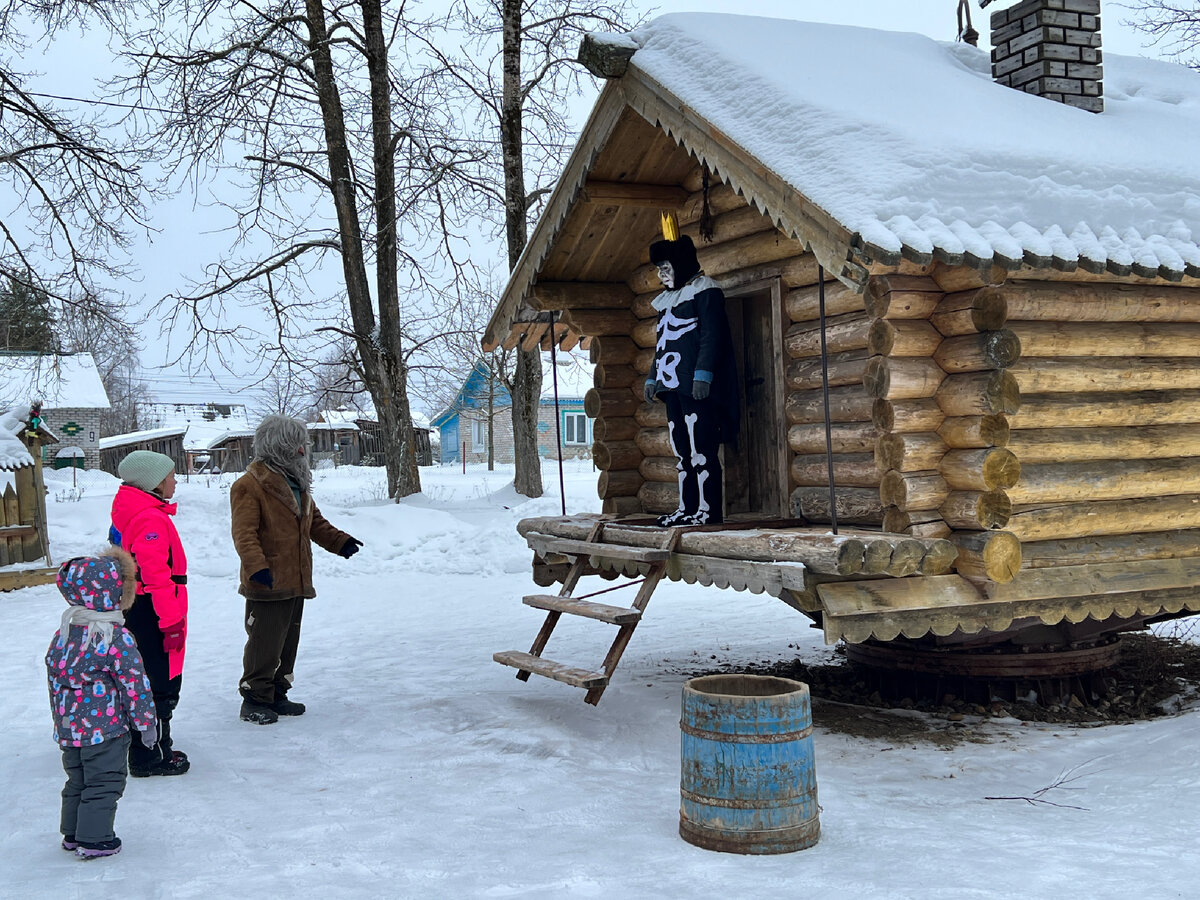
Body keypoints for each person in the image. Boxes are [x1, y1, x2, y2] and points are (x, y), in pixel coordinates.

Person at [231, 415, 362, 725]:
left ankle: (277, 693)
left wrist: (340, 542)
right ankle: (254, 699)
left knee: (288, 640)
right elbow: (244, 533)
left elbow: (314, 523)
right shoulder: (249, 485)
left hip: (295, 577)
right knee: (264, 641)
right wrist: (257, 567)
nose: (305, 449)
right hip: (267, 580)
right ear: (282, 446)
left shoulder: (297, 483)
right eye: (298, 443)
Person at [46, 550, 158, 859]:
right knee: (105, 781)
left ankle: (72, 832)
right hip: (105, 730)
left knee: (78, 779)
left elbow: (55, 678)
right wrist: (145, 723)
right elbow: (134, 683)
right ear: (115, 592)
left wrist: (61, 720)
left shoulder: (65, 633)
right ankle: (95, 839)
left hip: (70, 730)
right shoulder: (114, 637)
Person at [643, 231, 740, 526]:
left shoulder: (704, 291)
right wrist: (652, 377)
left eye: (666, 267)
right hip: (671, 385)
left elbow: (712, 335)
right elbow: (663, 344)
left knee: (702, 450)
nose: (661, 274)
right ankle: (687, 508)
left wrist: (703, 374)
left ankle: (708, 511)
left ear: (681, 263)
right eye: (659, 269)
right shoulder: (667, 301)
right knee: (682, 452)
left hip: (695, 386)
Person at [110, 449, 191, 777]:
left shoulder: (143, 512)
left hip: (146, 609)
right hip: (155, 612)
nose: (175, 481)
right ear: (154, 483)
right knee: (158, 683)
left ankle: (148, 746)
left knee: (148, 678)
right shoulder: (150, 519)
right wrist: (170, 622)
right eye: (170, 476)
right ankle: (152, 756)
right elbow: (155, 575)